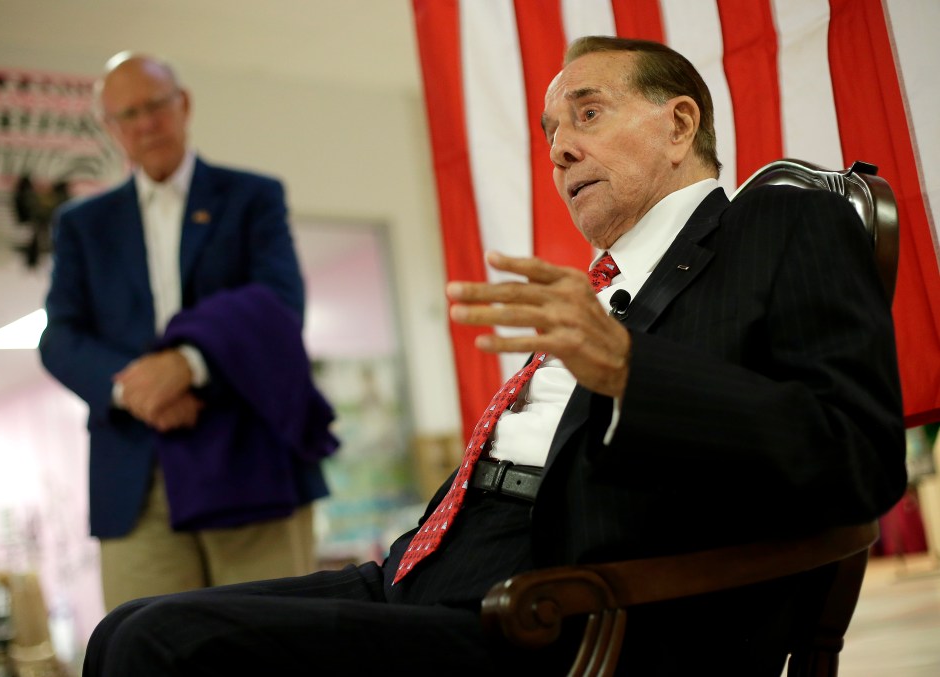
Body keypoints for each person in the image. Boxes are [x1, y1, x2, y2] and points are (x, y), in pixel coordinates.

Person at [81, 36, 907, 676]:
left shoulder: (782, 227)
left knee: (164, 644)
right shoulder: (598, 283)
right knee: (123, 625)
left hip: (567, 604)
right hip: (438, 559)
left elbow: (858, 457)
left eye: (588, 114)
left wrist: (630, 370)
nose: (558, 149)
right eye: (550, 131)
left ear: (680, 122)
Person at [39, 52, 337, 613]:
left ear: (184, 104)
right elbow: (58, 338)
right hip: (135, 471)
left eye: (155, 106)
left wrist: (188, 365)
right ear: (110, 128)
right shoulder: (81, 225)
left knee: (272, 641)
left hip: (249, 454)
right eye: (126, 115)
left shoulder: (252, 197)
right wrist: (137, 391)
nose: (145, 124)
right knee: (145, 644)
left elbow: (281, 305)